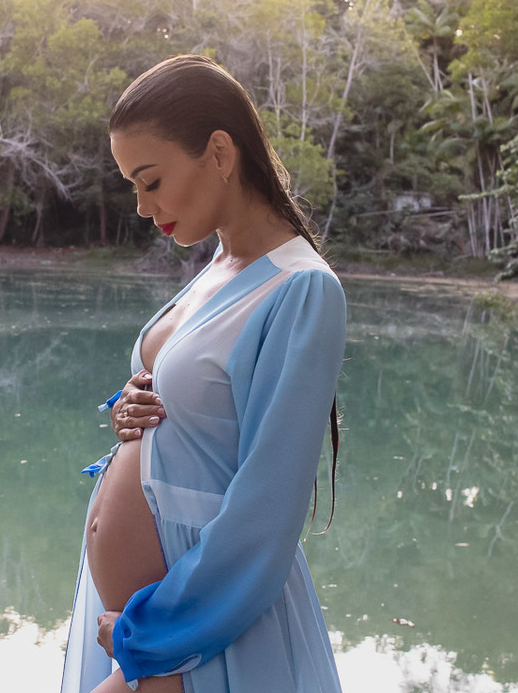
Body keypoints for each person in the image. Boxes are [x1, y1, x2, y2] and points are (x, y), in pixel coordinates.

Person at [61, 55, 346, 693]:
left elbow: (267, 509)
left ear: (219, 153)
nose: (140, 206)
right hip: (146, 622)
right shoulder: (220, 266)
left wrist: (155, 633)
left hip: (194, 630)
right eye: (132, 185)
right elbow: (199, 412)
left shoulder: (302, 289)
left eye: (151, 180)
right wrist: (128, 410)